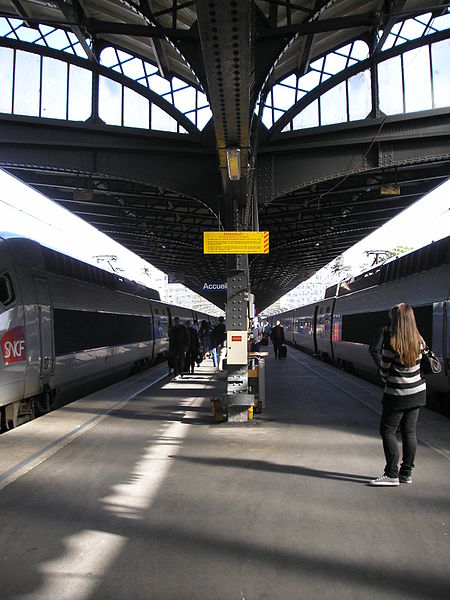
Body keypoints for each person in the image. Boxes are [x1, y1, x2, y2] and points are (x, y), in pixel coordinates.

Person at [369, 303, 427, 487]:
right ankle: (406, 473)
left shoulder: (392, 343)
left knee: (387, 431)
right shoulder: (420, 341)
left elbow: (385, 371)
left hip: (397, 394)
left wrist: (389, 376)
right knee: (410, 432)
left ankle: (391, 473)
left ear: (397, 320)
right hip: (417, 392)